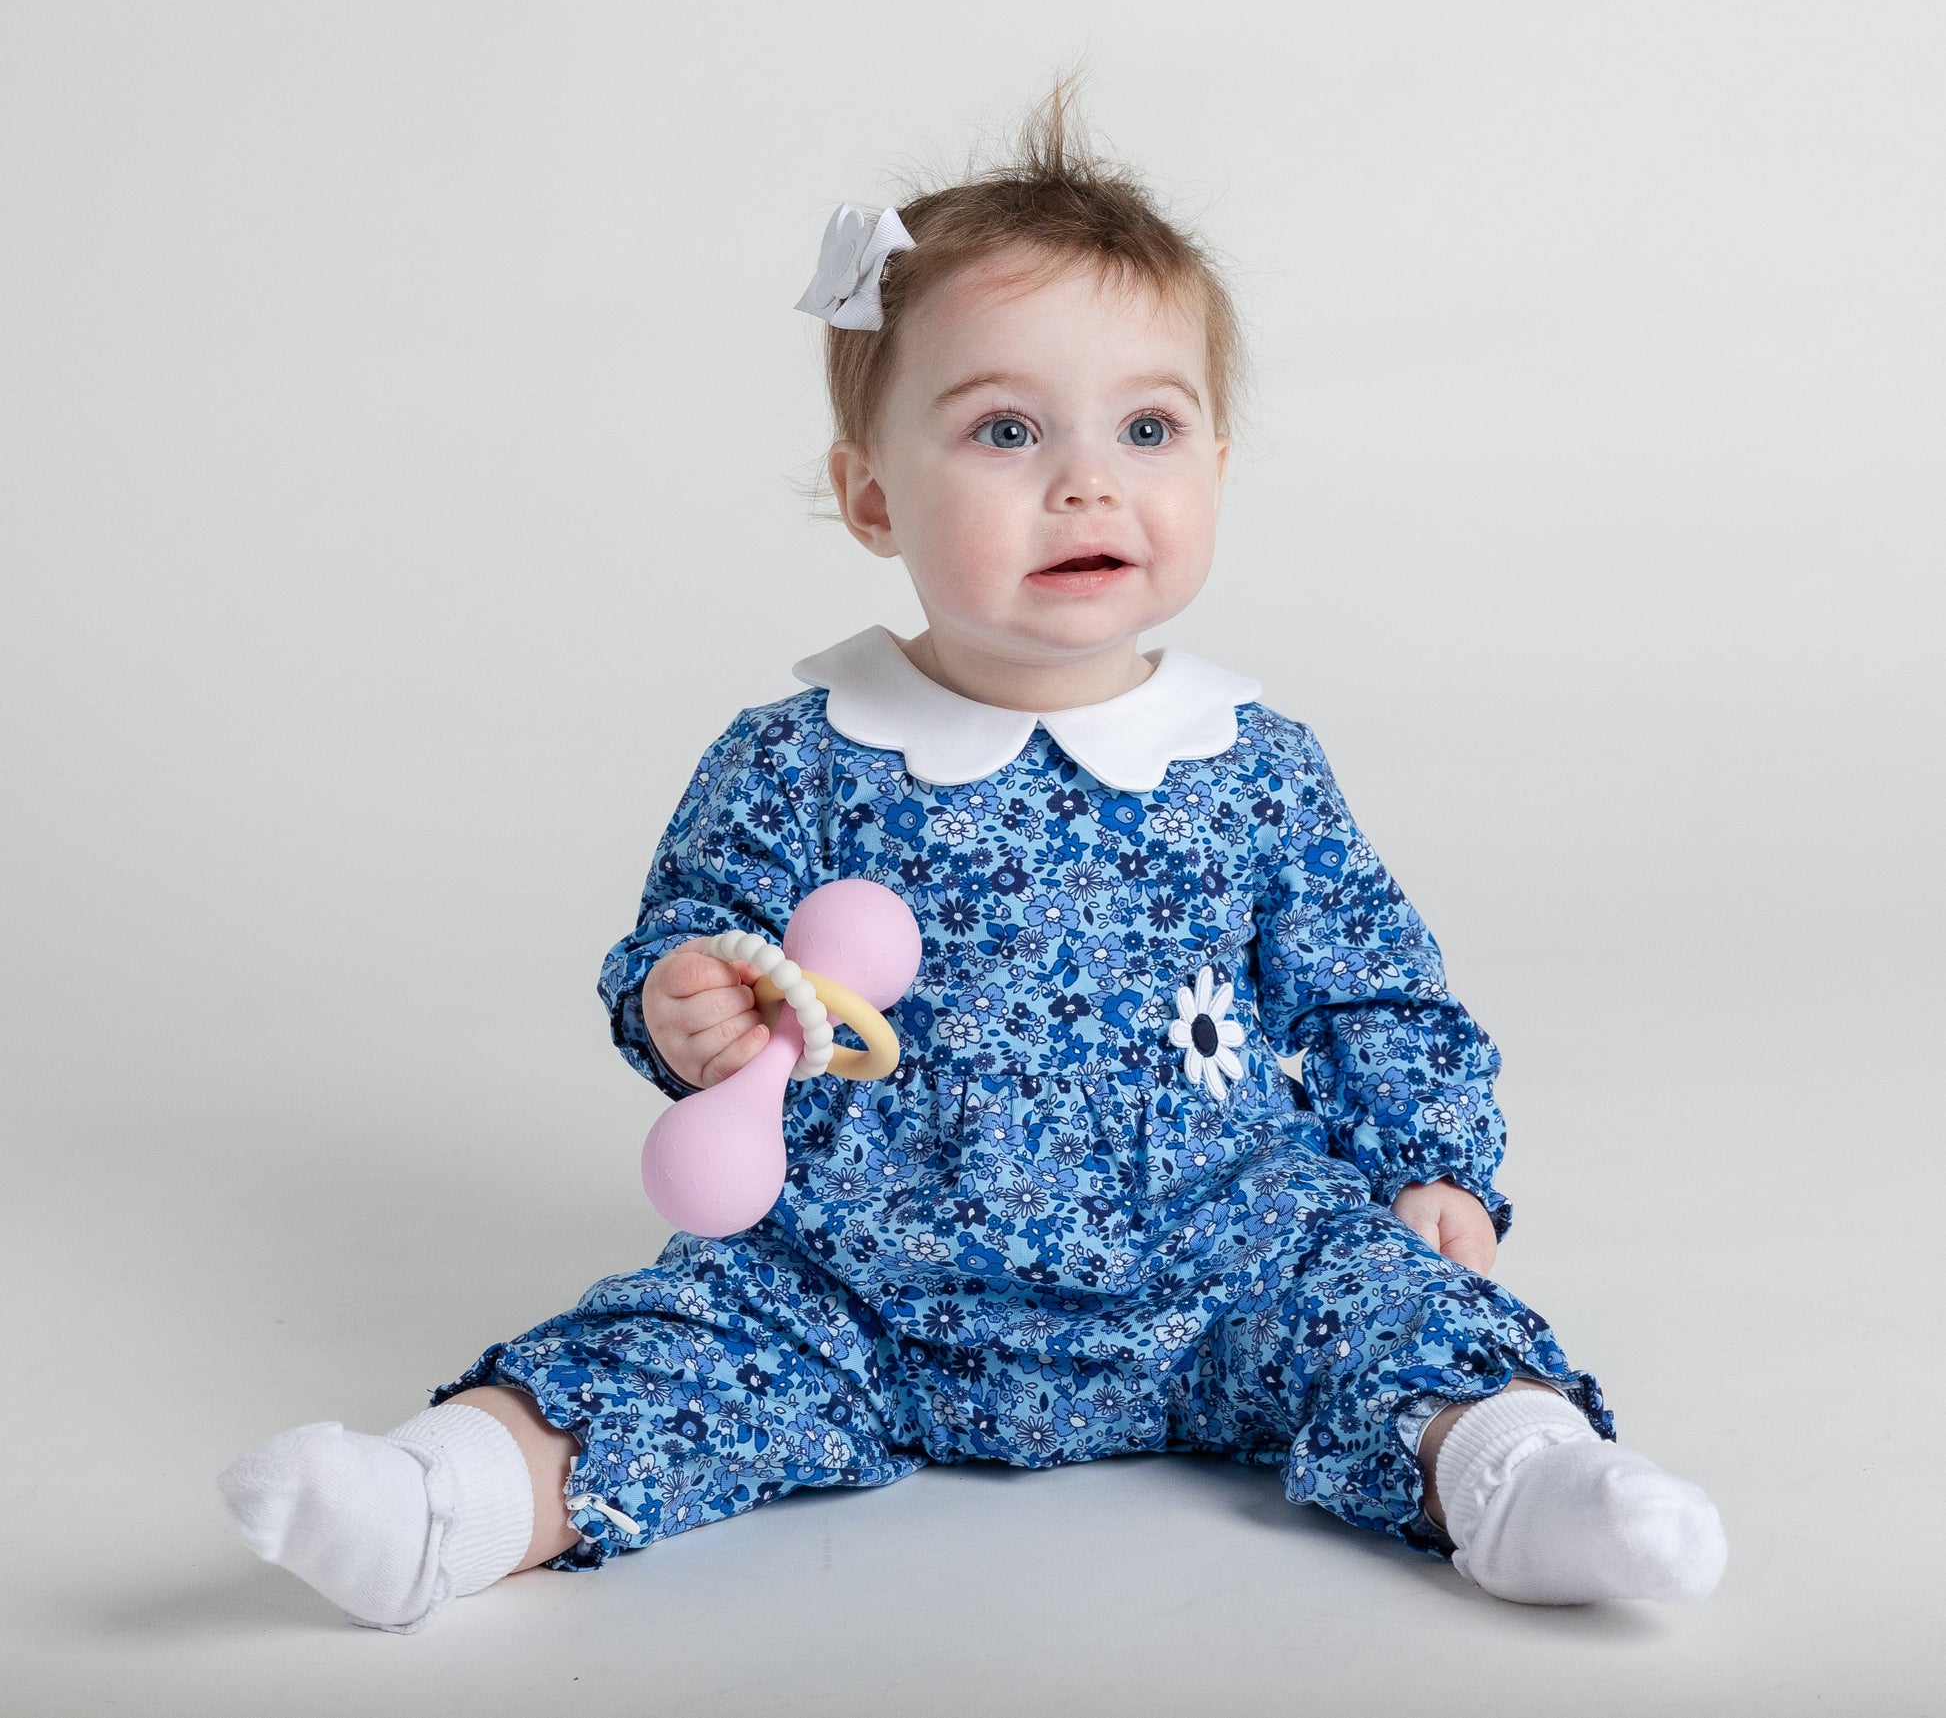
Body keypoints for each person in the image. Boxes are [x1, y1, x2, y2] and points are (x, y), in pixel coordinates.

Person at [218, 90, 1726, 1631]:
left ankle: (1528, 1482)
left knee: (1393, 1314)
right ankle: (446, 1498)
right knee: (669, 1337)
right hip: (860, 1271)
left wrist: (1428, 1160)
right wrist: (688, 1000)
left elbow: (1370, 988)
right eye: (1006, 430)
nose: (1086, 480)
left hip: (1219, 1255)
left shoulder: (1247, 760)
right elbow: (693, 942)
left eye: (1146, 427)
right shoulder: (800, 753)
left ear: (1217, 458)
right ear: (872, 494)